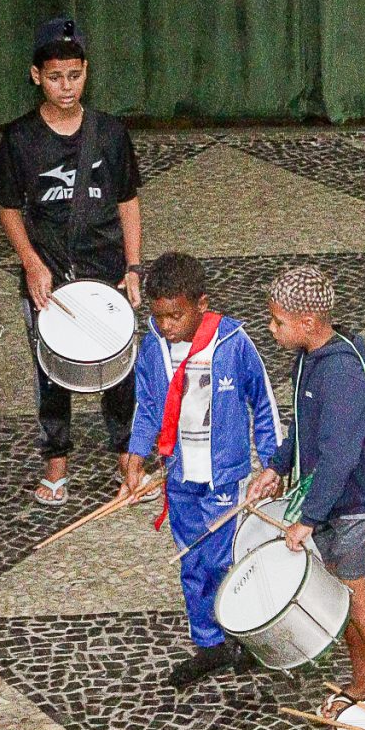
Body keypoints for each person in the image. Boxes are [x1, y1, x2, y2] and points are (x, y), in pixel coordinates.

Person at [0, 16, 145, 503]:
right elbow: (9, 206)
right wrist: (30, 262)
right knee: (50, 371)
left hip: (105, 268)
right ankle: (55, 464)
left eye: (75, 76)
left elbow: (127, 201)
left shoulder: (111, 133)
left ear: (86, 71)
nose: (66, 87)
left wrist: (134, 265)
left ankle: (128, 455)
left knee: (120, 371)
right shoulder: (18, 138)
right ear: (36, 75)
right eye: (55, 77)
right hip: (49, 271)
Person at [117, 254, 280, 689]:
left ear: (201, 304)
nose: (168, 325)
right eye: (160, 316)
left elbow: (262, 403)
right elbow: (149, 402)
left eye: (176, 315)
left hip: (224, 476)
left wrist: (273, 462)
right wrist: (136, 451)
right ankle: (209, 643)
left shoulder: (233, 342)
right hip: (180, 475)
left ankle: (244, 635)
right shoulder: (153, 342)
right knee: (193, 561)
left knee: (225, 559)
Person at [252, 265, 365, 705]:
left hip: (358, 503)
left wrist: (308, 519)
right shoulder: (309, 357)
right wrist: (277, 466)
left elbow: (341, 456)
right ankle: (363, 686)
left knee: (354, 600)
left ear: (307, 322)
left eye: (278, 322)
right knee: (343, 602)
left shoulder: (339, 373)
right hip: (334, 501)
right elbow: (305, 427)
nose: (272, 329)